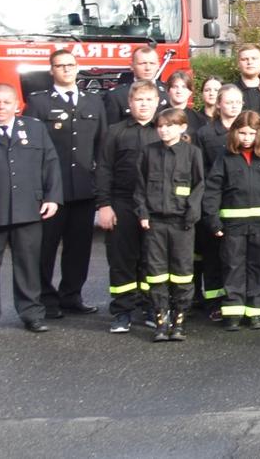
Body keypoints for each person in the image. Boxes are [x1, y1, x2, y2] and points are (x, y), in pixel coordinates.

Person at [0, 84, 64, 338]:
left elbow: (51, 163)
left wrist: (53, 197)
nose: (1, 107)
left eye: (7, 102)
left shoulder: (34, 128)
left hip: (28, 210)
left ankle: (32, 314)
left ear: (17, 105)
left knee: (28, 266)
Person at [24, 50, 104, 319]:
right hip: (51, 192)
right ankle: (46, 300)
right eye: (60, 66)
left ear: (78, 68)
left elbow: (101, 146)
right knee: (45, 249)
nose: (66, 70)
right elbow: (30, 150)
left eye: (70, 65)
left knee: (79, 249)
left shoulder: (94, 102)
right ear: (51, 70)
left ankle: (72, 296)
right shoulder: (39, 103)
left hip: (83, 189)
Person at [202, 111, 260, 330]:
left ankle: (256, 312)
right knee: (233, 267)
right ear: (234, 133)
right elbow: (212, 191)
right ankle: (233, 313)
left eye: (251, 133)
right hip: (233, 226)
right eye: (242, 133)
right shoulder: (225, 158)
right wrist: (213, 220)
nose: (247, 138)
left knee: (259, 267)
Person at [95, 80, 164, 333]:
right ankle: (122, 311)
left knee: (151, 259)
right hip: (122, 202)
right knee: (121, 259)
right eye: (139, 100)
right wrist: (104, 205)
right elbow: (103, 169)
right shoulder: (115, 131)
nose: (143, 104)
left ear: (157, 103)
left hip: (156, 205)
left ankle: (148, 307)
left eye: (148, 100)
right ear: (129, 103)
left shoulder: (163, 129)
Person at [133, 107, 205, 342]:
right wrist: (142, 213)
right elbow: (140, 187)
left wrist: (191, 214)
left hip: (182, 224)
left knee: (183, 274)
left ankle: (179, 319)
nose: (164, 130)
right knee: (156, 274)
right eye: (161, 126)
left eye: (170, 125)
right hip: (155, 222)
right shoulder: (147, 153)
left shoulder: (193, 153)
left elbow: (199, 186)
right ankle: (160, 320)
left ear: (182, 127)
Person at [105, 45, 169, 122]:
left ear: (158, 66)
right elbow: (111, 130)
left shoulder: (167, 91)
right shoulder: (116, 96)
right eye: (142, 63)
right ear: (132, 66)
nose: (148, 68)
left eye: (152, 63)